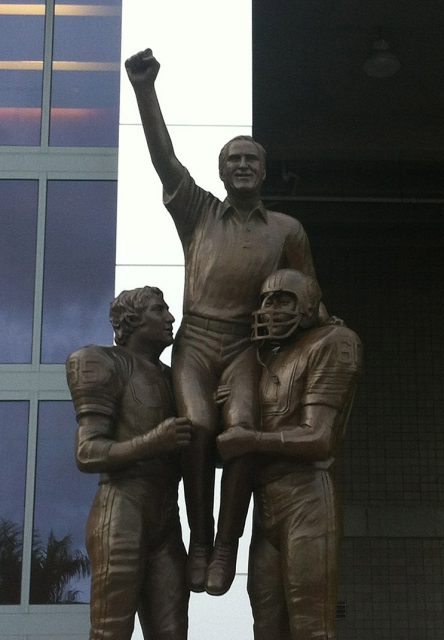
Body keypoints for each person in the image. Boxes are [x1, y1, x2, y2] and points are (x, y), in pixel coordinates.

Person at [125, 48, 320, 595]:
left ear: (264, 170)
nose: (241, 166)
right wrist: (145, 90)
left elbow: (308, 296)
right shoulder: (199, 212)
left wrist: (328, 331)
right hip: (197, 340)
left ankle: (228, 544)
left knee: (238, 434)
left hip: (245, 347)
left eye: (251, 160)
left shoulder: (286, 230)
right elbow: (164, 159)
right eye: (233, 159)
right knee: (198, 428)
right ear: (220, 170)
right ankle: (201, 538)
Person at [217, 269, 362, 640]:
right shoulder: (263, 358)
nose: (270, 308)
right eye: (265, 300)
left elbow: (319, 437)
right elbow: (237, 442)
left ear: (308, 305)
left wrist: (248, 439)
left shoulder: (333, 341)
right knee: (266, 626)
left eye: (282, 299)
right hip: (266, 504)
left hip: (307, 497)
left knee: (310, 624)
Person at [66, 286, 192, 640]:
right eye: (159, 310)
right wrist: (153, 441)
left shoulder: (175, 378)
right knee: (110, 629)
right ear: (132, 321)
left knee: (172, 631)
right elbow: (87, 452)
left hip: (166, 515)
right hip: (121, 507)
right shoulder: (100, 361)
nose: (170, 318)